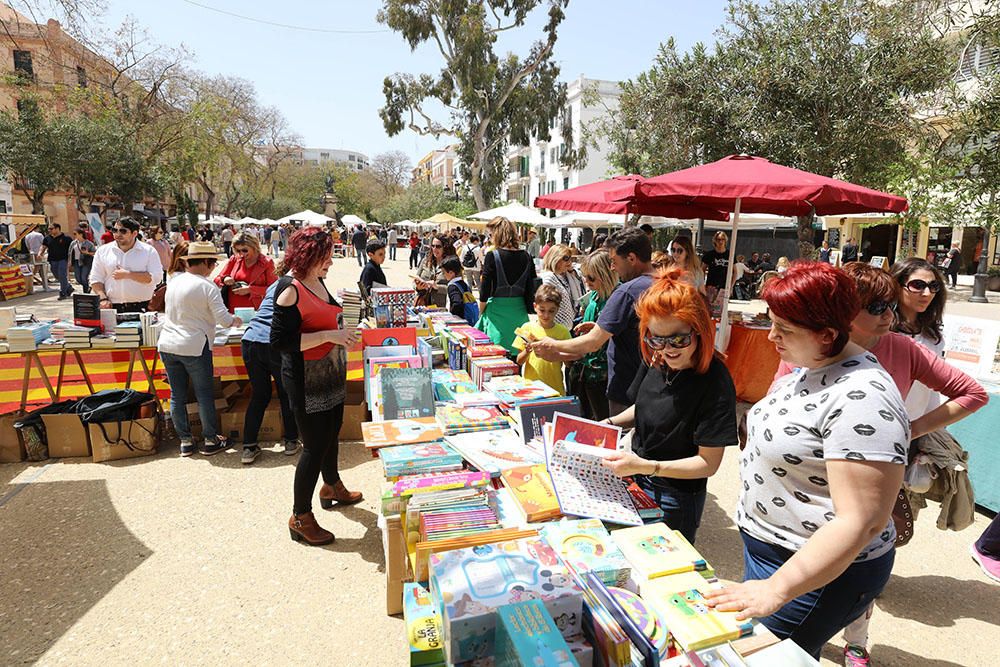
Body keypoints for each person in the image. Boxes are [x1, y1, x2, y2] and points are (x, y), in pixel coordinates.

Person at [703, 261, 909, 659]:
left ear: (828, 335)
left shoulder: (862, 396)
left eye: (785, 330)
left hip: (816, 574)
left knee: (756, 655)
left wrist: (778, 588)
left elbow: (862, 520)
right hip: (780, 555)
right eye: (772, 322)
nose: (771, 337)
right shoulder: (813, 364)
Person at [601, 269, 738, 543]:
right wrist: (611, 423)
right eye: (656, 339)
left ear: (699, 330)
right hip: (637, 476)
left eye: (678, 339)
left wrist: (647, 466)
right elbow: (644, 406)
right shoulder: (656, 359)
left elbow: (707, 463)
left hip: (675, 496)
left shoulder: (714, 381)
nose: (667, 349)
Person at [271, 227, 362, 546]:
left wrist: (343, 332)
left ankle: (332, 484)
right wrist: (329, 336)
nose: (331, 263)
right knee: (313, 445)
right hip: (305, 380)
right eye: (326, 257)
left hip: (330, 372)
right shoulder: (289, 289)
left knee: (331, 431)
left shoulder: (317, 281)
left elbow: (323, 320)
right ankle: (300, 515)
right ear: (308, 254)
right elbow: (281, 342)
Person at [531, 227, 655, 416]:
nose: (613, 267)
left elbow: (593, 342)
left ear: (631, 258)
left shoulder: (626, 292)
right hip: (652, 386)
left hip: (626, 386)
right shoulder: (664, 284)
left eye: (614, 262)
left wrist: (553, 345)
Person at [158, 242, 241, 457]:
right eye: (213, 263)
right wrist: (235, 320)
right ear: (206, 262)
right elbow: (223, 320)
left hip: (168, 342)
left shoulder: (174, 282)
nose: (213, 267)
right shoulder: (207, 286)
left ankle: (185, 440)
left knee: (177, 394)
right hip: (194, 344)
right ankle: (210, 439)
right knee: (204, 393)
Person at [239, 271, 301, 464]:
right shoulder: (298, 286)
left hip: (250, 339)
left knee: (259, 395)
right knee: (286, 392)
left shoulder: (275, 285)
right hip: (274, 343)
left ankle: (248, 447)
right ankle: (291, 441)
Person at [567, 251, 617, 421]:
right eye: (585, 278)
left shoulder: (616, 298)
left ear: (605, 275)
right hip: (584, 369)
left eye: (591, 278)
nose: (587, 283)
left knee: (601, 422)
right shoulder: (595, 296)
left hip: (601, 374)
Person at [477, 217, 537, 353]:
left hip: (496, 312)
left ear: (497, 234)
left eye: (490, 234)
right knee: (519, 352)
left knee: (497, 356)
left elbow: (484, 290)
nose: (490, 238)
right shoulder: (526, 256)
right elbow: (532, 283)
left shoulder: (492, 255)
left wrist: (481, 312)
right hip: (519, 311)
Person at [90, 217, 163, 313]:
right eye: (115, 230)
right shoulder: (102, 251)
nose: (117, 234)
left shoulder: (149, 251)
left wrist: (128, 275)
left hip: (142, 307)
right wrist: (103, 299)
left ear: (135, 233)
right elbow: (95, 279)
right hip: (111, 307)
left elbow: (156, 278)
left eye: (123, 231)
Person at [515, 284, 571, 395]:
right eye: (542, 310)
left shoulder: (563, 332)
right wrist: (527, 351)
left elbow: (569, 364)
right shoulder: (527, 328)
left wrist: (557, 349)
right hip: (531, 388)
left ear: (557, 309)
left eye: (551, 311)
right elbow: (519, 361)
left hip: (555, 389)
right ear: (535, 306)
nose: (546, 315)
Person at [214, 232, 278, 313]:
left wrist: (250, 290)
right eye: (238, 250)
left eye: (245, 250)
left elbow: (274, 289)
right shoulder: (234, 259)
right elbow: (217, 279)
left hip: (257, 310)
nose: (241, 253)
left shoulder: (266, 262)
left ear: (254, 247)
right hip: (233, 309)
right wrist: (225, 279)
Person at [540, 243, 586, 330]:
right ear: (555, 259)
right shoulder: (549, 278)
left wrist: (573, 272)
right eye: (565, 258)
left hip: (570, 325)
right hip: (556, 328)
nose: (569, 262)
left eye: (570, 258)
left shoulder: (568, 275)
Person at [415, 234, 457, 308]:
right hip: (424, 305)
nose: (434, 249)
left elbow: (457, 288)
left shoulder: (452, 264)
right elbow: (416, 278)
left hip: (443, 308)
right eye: (433, 246)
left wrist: (437, 287)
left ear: (445, 247)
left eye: (438, 246)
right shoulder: (426, 261)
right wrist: (418, 287)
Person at [441, 257, 479, 326]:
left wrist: (452, 318)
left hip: (457, 322)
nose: (443, 275)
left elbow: (457, 303)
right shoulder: (464, 284)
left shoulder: (452, 286)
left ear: (451, 273)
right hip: (467, 320)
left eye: (444, 273)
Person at [40, 224, 74, 299]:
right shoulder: (47, 238)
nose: (49, 230)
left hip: (63, 259)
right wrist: (40, 253)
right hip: (52, 260)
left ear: (57, 228)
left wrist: (71, 260)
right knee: (56, 275)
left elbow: (72, 250)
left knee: (62, 275)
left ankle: (63, 293)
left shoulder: (66, 238)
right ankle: (68, 287)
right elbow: (43, 246)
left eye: (51, 229)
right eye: (49, 229)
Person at [701, 231, 730, 305]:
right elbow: (702, 270)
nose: (720, 242)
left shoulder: (729, 254)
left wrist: (731, 286)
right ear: (715, 241)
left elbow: (734, 271)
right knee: (708, 307)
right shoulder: (709, 255)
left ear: (725, 241)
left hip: (724, 286)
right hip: (711, 285)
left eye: (722, 239)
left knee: (720, 310)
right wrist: (702, 284)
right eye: (718, 239)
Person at [69, 229, 96, 294]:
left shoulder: (89, 243)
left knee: (84, 277)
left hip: (86, 262)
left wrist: (87, 252)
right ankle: (87, 286)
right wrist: (69, 261)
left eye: (75, 234)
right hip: (76, 261)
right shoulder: (73, 243)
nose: (74, 235)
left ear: (81, 234)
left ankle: (86, 292)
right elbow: (69, 252)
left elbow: (95, 252)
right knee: (78, 278)